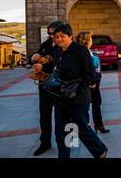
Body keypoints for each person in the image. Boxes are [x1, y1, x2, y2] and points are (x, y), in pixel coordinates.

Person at [51, 23, 108, 158]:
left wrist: (77, 84)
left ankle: (100, 150)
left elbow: (90, 75)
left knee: (81, 128)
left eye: (62, 36)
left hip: (78, 98)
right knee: (61, 132)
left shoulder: (80, 51)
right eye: (56, 37)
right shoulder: (58, 51)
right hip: (61, 98)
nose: (58, 39)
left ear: (70, 36)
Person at [31, 20, 63, 156]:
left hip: (60, 87)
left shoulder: (64, 46)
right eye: (49, 33)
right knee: (44, 115)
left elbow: (63, 66)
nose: (51, 36)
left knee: (64, 117)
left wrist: (44, 67)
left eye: (53, 33)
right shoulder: (46, 44)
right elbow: (36, 57)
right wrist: (33, 58)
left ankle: (66, 143)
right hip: (44, 87)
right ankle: (45, 143)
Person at [75, 31, 110, 134]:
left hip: (95, 83)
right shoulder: (82, 52)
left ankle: (99, 125)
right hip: (88, 84)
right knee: (83, 107)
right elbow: (84, 69)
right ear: (86, 41)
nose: (92, 40)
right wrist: (91, 82)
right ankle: (81, 129)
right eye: (90, 38)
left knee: (96, 104)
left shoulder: (89, 51)